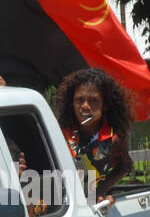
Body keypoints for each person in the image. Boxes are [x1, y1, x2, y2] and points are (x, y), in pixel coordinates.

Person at [54, 67, 134, 204]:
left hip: (95, 209)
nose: (85, 106)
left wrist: (100, 191)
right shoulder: (59, 133)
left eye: (93, 101)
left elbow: (126, 166)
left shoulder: (113, 139)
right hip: (63, 205)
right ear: (71, 103)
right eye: (79, 100)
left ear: (105, 105)